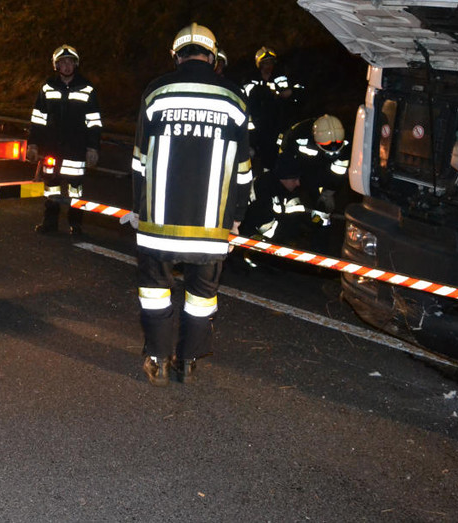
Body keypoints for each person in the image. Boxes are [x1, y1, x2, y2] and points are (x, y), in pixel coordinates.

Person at [125, 23, 252, 386]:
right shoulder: (234, 97)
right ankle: (189, 361)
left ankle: (158, 359)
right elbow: (243, 169)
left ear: (176, 56)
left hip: (158, 222)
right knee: (201, 297)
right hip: (211, 226)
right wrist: (237, 217)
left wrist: (137, 209)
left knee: (154, 292)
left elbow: (139, 161)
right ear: (213, 56)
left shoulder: (156, 92)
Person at [26, 44, 102, 236]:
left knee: (76, 189)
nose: (67, 66)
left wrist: (93, 148)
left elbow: (94, 121)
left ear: (76, 64)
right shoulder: (47, 87)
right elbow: (38, 118)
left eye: (70, 62)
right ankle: (50, 223)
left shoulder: (87, 88)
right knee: (51, 186)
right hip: (51, 148)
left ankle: (76, 225)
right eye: (63, 62)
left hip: (76, 149)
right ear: (56, 65)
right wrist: (33, 144)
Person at [243, 46, 304, 172]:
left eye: (271, 62)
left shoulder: (281, 78)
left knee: (275, 155)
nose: (268, 66)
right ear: (259, 65)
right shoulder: (251, 80)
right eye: (265, 63)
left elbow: (300, 90)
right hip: (256, 128)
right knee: (253, 156)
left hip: (277, 125)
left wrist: (291, 92)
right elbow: (247, 96)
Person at [278, 114, 351, 214]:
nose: (332, 152)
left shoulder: (347, 141)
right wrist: (290, 190)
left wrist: (329, 192)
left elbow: (339, 170)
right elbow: (284, 164)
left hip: (324, 168)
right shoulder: (298, 134)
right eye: (326, 146)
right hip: (302, 166)